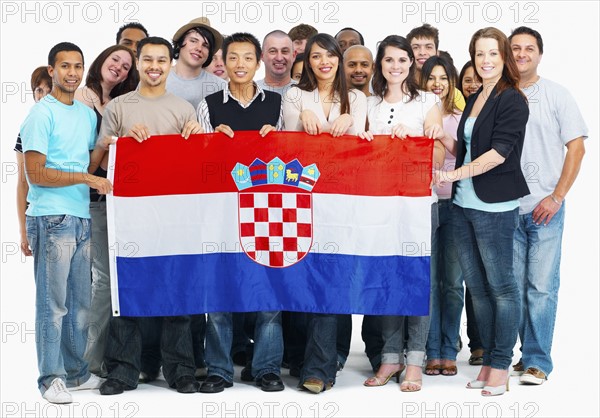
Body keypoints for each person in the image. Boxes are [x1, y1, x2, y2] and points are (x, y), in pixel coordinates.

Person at [97, 36, 203, 396]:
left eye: (161, 60)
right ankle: (124, 369)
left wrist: (198, 140)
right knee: (126, 291)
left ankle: (180, 369)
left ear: (170, 64)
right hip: (131, 215)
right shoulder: (118, 108)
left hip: (174, 217)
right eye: (147, 60)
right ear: (138, 64)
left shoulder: (183, 109)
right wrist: (120, 142)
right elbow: (98, 164)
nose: (154, 66)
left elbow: (198, 168)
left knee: (178, 292)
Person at [433, 27, 530, 397]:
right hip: (462, 204)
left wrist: (455, 172)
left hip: (494, 206)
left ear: (504, 57)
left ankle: (502, 364)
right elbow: (470, 145)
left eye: (493, 54)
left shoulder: (512, 99)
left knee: (502, 289)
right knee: (478, 289)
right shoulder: (475, 95)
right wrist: (443, 140)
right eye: (479, 54)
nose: (486, 61)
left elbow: (498, 153)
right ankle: (489, 359)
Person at [20, 42, 113, 404]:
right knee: (53, 304)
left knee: (79, 303)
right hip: (50, 218)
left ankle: (75, 373)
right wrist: (88, 180)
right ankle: (50, 379)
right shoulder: (41, 115)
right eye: (65, 66)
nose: (72, 73)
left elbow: (87, 165)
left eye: (78, 66)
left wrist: (107, 146)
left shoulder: (86, 115)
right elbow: (36, 174)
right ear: (51, 70)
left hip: (79, 216)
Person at [197, 32, 285, 394]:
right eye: (233, 58)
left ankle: (266, 368)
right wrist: (211, 142)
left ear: (257, 62)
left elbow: (293, 160)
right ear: (224, 62)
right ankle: (219, 369)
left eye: (248, 58)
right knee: (219, 294)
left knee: (268, 294)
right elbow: (198, 164)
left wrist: (276, 140)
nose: (240, 65)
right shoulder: (208, 104)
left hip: (267, 211)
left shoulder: (277, 105)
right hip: (220, 212)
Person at [359, 35, 445, 393]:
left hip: (418, 204)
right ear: (381, 65)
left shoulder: (428, 100)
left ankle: (414, 361)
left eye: (402, 60)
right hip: (380, 207)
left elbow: (438, 156)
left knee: (418, 280)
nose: (396, 66)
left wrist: (415, 139)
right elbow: (356, 158)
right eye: (389, 60)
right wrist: (362, 143)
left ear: (412, 64)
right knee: (387, 280)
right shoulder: (369, 103)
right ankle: (391, 356)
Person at [282, 33, 367, 394]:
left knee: (330, 281)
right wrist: (304, 115)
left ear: (338, 58)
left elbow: (362, 145)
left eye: (329, 55)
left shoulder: (358, 98)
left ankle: (321, 366)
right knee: (299, 279)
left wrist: (351, 124)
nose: (323, 62)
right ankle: (302, 357)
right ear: (309, 61)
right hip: (301, 200)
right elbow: (288, 141)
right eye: (316, 56)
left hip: (341, 201)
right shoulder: (295, 95)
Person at [509, 26, 587, 385]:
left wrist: (557, 196)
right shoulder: (498, 94)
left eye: (529, 48)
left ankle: (539, 361)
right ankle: (526, 356)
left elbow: (577, 147)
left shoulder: (556, 95)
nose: (522, 54)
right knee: (514, 287)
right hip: (505, 209)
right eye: (515, 48)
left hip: (544, 209)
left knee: (540, 287)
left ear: (540, 54)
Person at [73, 45, 137, 379]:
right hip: (86, 200)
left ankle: (108, 356)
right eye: (115, 60)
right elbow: (80, 155)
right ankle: (86, 361)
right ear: (101, 62)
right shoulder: (81, 98)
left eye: (126, 66)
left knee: (113, 280)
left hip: (116, 201)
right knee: (100, 281)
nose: (119, 68)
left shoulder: (122, 104)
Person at [419, 55, 464, 378]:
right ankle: (431, 350)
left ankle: (449, 350)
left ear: (452, 82)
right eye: (431, 78)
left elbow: (469, 155)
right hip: (427, 203)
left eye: (443, 78)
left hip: (458, 204)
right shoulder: (419, 112)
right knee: (431, 280)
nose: (437, 83)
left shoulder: (463, 116)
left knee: (452, 283)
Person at [15, 66, 52, 258]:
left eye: (49, 90)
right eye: (39, 90)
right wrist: (23, 232)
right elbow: (23, 184)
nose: (43, 96)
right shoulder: (27, 129)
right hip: (39, 218)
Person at [167, 17, 227, 110]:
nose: (199, 48)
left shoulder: (221, 87)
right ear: (179, 43)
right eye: (193, 41)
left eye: (205, 45)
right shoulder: (158, 79)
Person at [406, 23, 465, 110]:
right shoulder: (401, 88)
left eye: (428, 47)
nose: (422, 52)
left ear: (437, 52)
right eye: (416, 47)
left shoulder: (452, 93)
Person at [257, 30, 297, 96]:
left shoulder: (305, 92)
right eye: (273, 51)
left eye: (285, 51)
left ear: (294, 55)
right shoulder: (251, 92)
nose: (279, 58)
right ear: (262, 56)